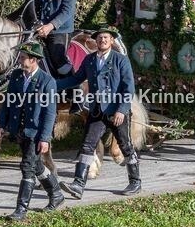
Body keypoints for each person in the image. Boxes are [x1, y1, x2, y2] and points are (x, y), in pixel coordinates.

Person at [55, 26, 141, 198]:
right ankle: (78, 184)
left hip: (116, 111)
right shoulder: (90, 60)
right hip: (96, 112)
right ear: (96, 41)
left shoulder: (120, 60)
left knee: (125, 146)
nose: (102, 40)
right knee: (87, 145)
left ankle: (135, 182)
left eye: (106, 38)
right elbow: (76, 78)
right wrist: (52, 85)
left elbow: (128, 88)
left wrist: (122, 110)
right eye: (100, 38)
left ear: (111, 41)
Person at [0, 41, 63, 220]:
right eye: (21, 56)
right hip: (20, 130)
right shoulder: (17, 76)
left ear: (34, 60)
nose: (20, 60)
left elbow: (50, 113)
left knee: (27, 167)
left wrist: (45, 138)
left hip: (36, 132)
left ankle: (21, 209)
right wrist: (1, 125)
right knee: (37, 166)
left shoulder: (47, 81)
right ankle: (56, 193)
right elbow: (7, 103)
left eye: (23, 57)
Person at [19, 0, 78, 77]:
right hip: (36, 28)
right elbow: (28, 6)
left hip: (59, 31)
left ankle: (73, 90)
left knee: (58, 59)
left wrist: (50, 26)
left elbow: (67, 10)